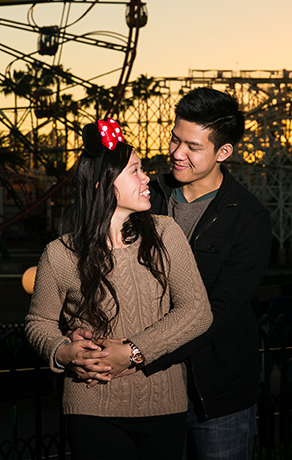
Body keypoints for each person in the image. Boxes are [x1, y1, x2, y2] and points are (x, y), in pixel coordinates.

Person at [72, 89, 272, 460]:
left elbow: (219, 311)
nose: (177, 152)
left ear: (223, 152)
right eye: (175, 138)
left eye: (192, 146)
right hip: (150, 390)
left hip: (215, 393)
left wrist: (135, 354)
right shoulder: (148, 196)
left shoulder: (248, 218)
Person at [24, 119, 213, 460]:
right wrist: (64, 352)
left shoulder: (166, 234)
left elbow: (197, 311)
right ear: (102, 185)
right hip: (91, 406)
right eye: (136, 171)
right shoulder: (59, 254)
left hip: (164, 404)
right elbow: (38, 322)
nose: (147, 179)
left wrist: (133, 351)